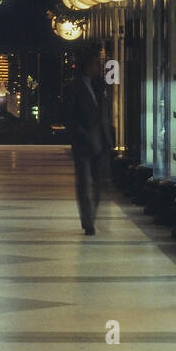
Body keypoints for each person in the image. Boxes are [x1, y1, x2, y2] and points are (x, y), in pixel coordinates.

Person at [61, 41, 115, 235]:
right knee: (84, 182)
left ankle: (92, 215)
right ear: (86, 66)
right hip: (83, 142)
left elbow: (105, 113)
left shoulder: (100, 86)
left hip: (101, 140)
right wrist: (80, 134)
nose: (97, 68)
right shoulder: (72, 87)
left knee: (99, 182)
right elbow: (68, 117)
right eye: (94, 64)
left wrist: (108, 135)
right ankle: (88, 220)